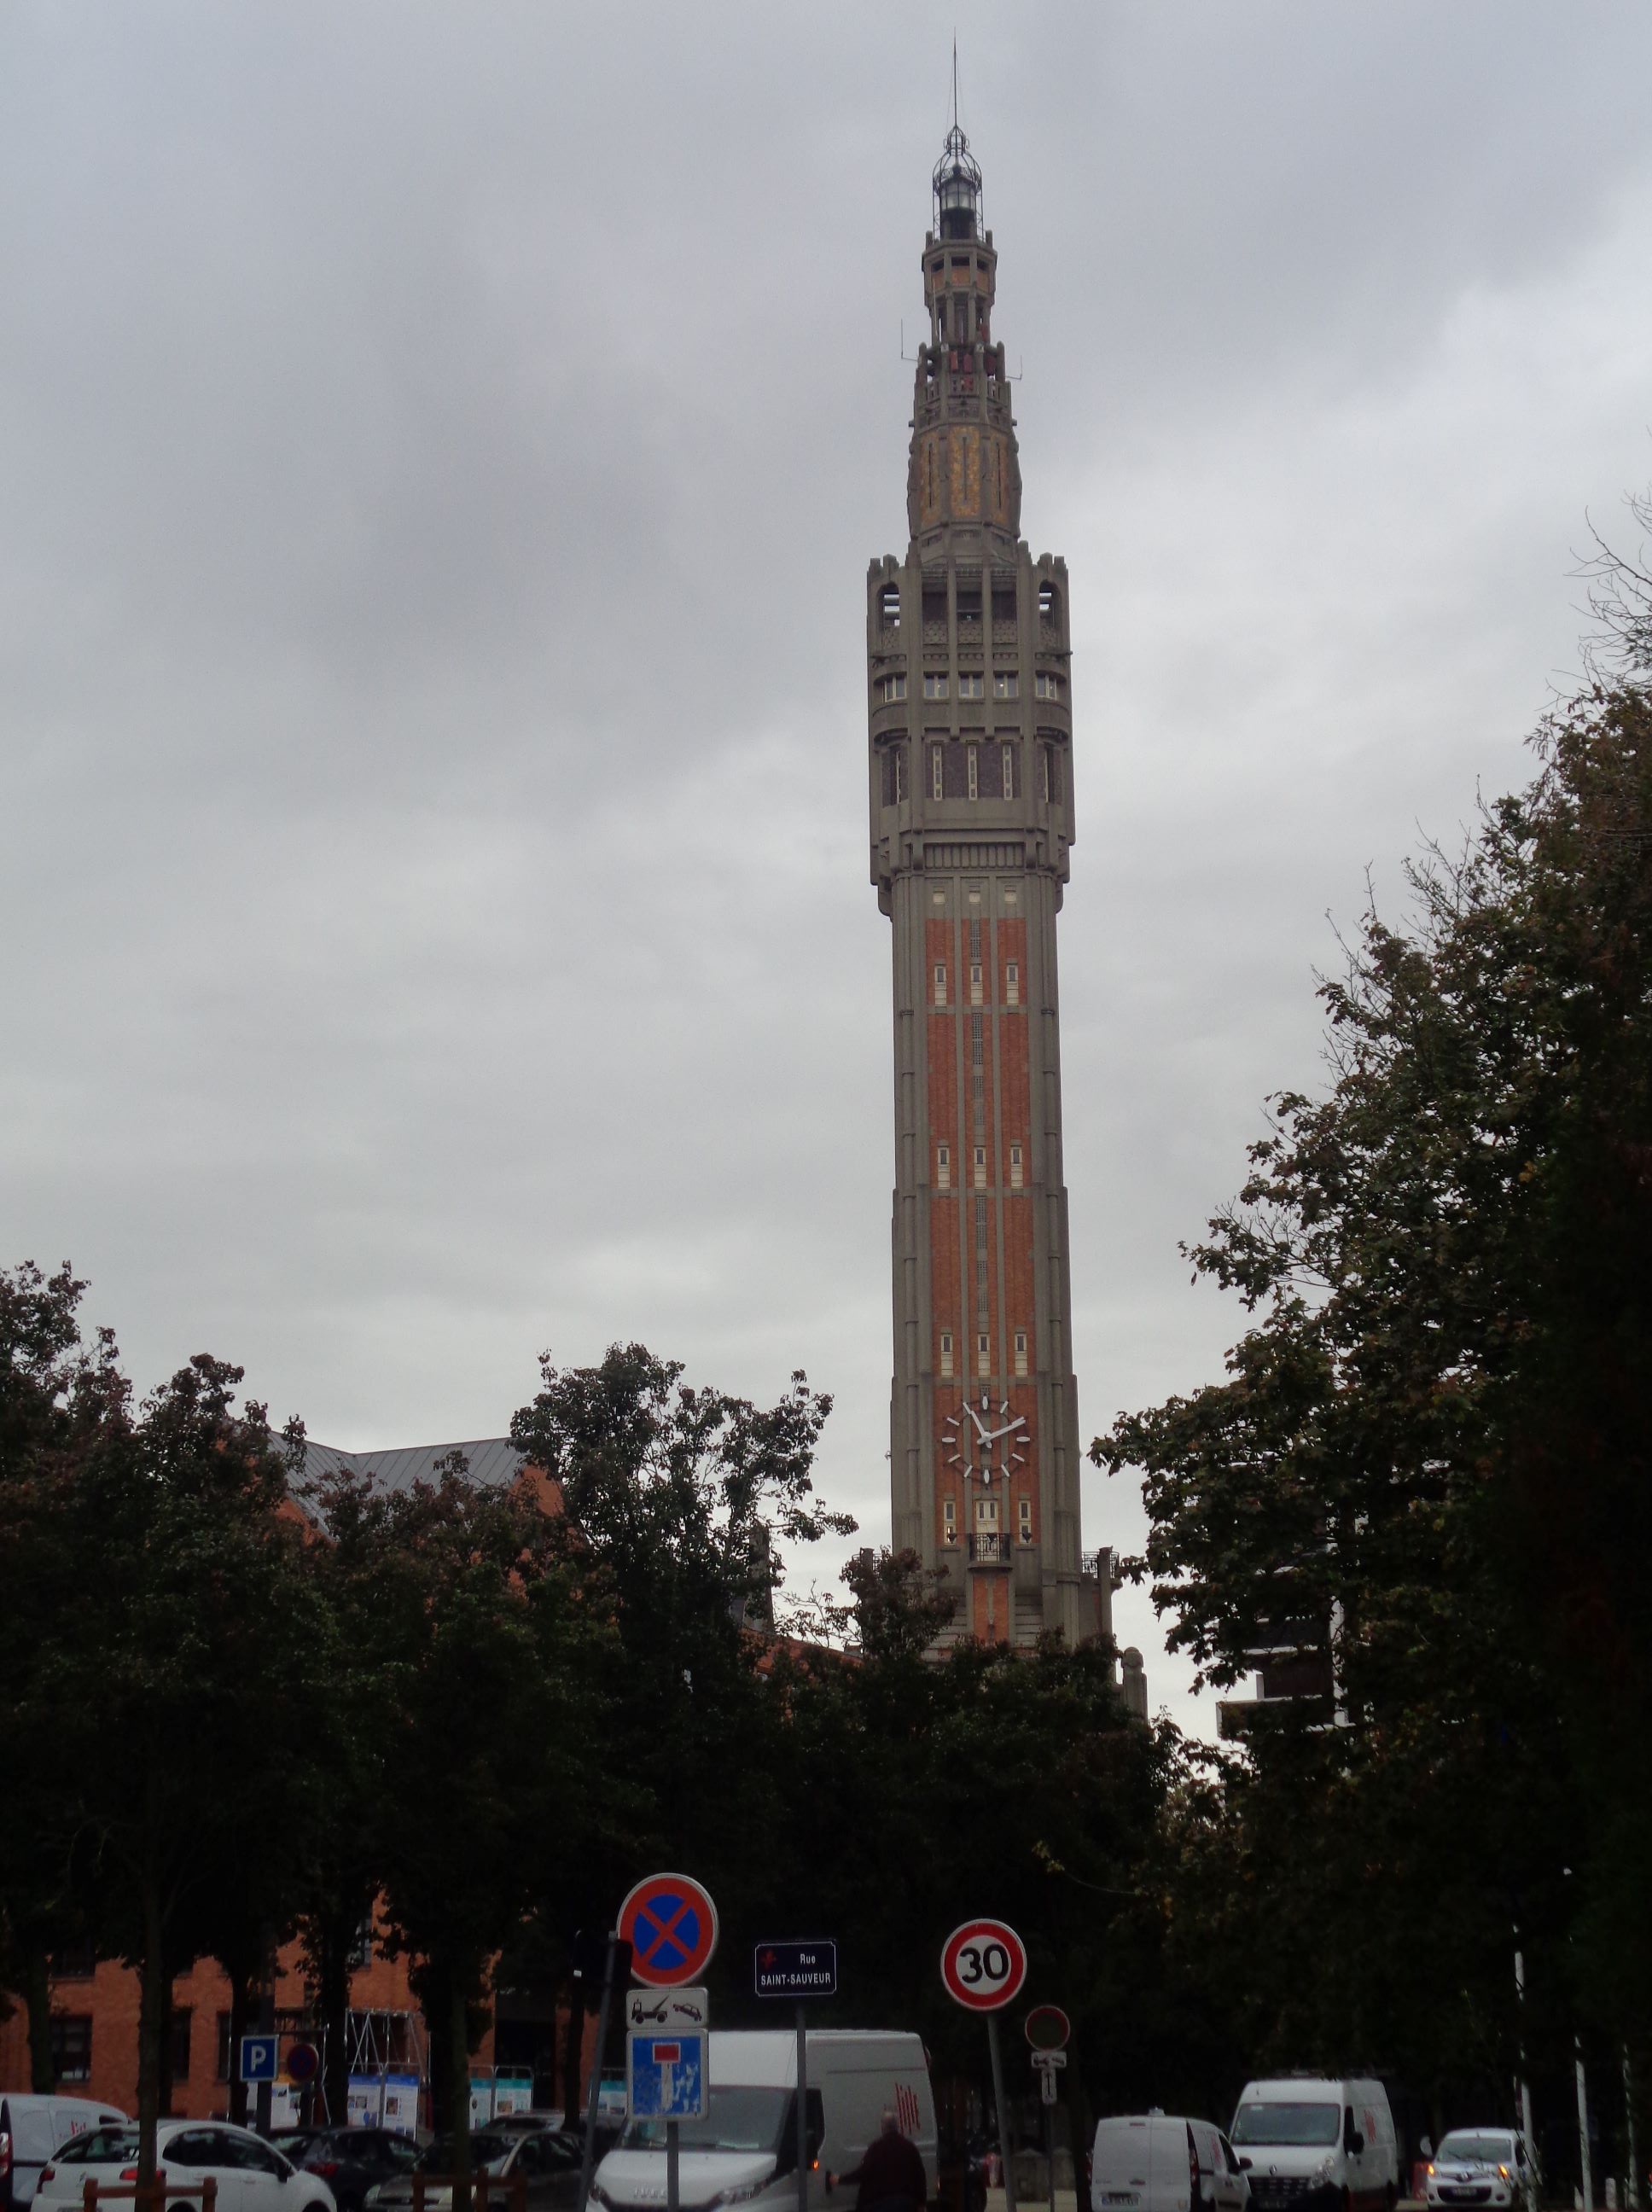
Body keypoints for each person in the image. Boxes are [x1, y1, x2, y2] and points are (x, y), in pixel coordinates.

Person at [830, 2109, 928, 2212]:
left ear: (882, 2127)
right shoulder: (910, 2148)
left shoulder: (876, 2148)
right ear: (897, 2126)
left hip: (881, 2203)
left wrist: (840, 2179)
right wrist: (921, 2203)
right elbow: (920, 2176)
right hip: (906, 2202)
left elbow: (863, 2173)